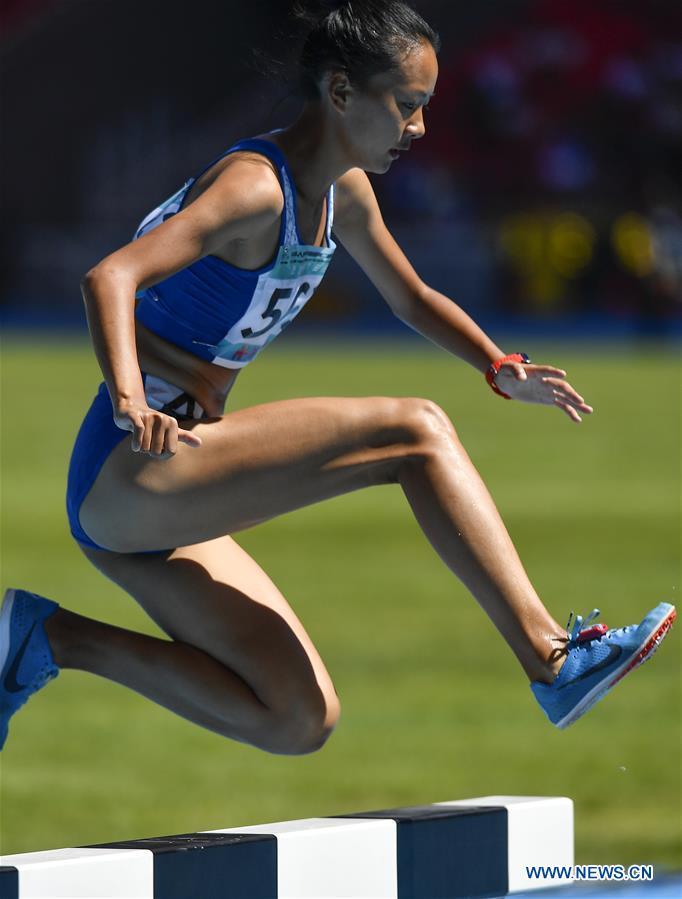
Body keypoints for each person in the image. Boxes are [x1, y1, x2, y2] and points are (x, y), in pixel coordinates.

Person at [0, 0, 675, 754]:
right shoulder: (257, 188)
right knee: (414, 430)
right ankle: (553, 658)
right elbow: (111, 276)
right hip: (132, 471)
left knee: (297, 716)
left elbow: (412, 296)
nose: (419, 128)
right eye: (407, 105)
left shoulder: (344, 191)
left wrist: (498, 365)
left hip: (168, 484)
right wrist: (130, 399)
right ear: (342, 92)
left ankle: (47, 637)